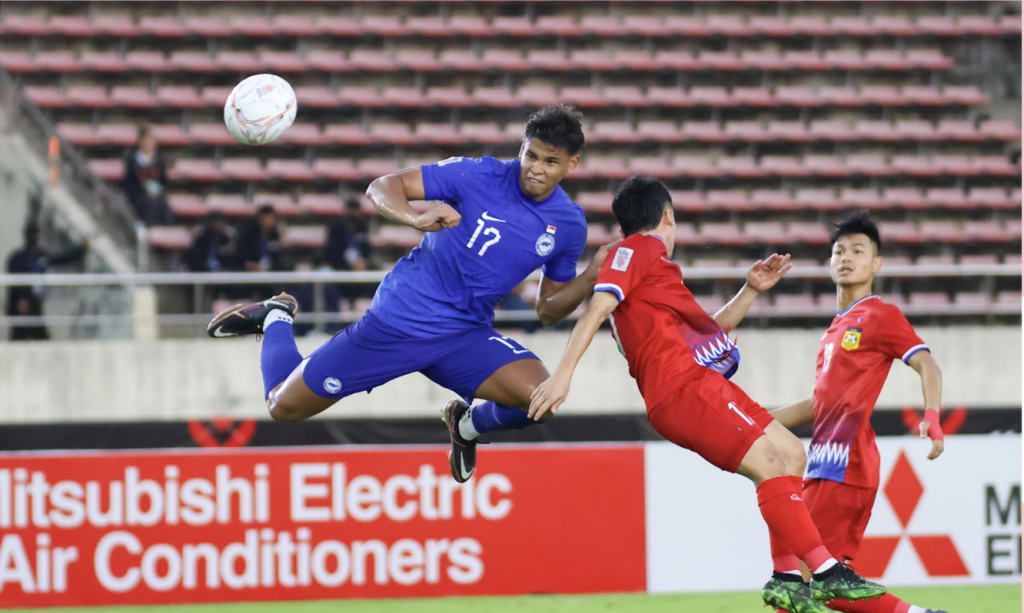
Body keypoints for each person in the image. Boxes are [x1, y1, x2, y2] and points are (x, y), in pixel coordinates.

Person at [529, 176, 888, 613]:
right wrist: (563, 374)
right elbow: (596, 309)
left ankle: (788, 577)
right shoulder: (639, 250)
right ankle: (827, 572)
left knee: (791, 453)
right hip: (681, 390)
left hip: (696, 382)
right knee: (770, 463)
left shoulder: (649, 272)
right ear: (668, 216)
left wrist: (750, 290)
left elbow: (704, 337)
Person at [206, 105, 614, 483]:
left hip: (463, 338)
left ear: (571, 165)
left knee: (540, 401)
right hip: (397, 324)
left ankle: (465, 425)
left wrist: (590, 276)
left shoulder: (568, 225)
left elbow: (547, 310)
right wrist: (416, 217)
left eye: (550, 162)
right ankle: (277, 317)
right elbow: (384, 186)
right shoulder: (476, 175)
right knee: (283, 407)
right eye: (531, 156)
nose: (536, 169)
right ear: (522, 149)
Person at [769, 212, 946, 613]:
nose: (846, 257)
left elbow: (927, 363)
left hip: (845, 465)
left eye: (857, 250)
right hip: (823, 465)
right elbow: (820, 406)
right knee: (826, 587)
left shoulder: (881, 315)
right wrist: (751, 418)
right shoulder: (835, 330)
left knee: (796, 584)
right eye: (839, 251)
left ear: (875, 263)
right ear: (830, 263)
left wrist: (932, 416)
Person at [6, 222, 89, 341]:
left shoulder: (38, 256)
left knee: (35, 340)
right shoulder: (17, 259)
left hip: (33, 306)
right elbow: (16, 283)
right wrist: (22, 299)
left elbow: (61, 259)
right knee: (25, 340)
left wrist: (81, 249)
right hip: (24, 307)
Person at [122, 125, 174, 227]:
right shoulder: (132, 160)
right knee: (149, 204)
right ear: (140, 141)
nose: (149, 142)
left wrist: (157, 190)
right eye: (147, 139)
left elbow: (164, 181)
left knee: (163, 206)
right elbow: (129, 182)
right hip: (138, 196)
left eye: (152, 139)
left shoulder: (159, 160)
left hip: (157, 195)